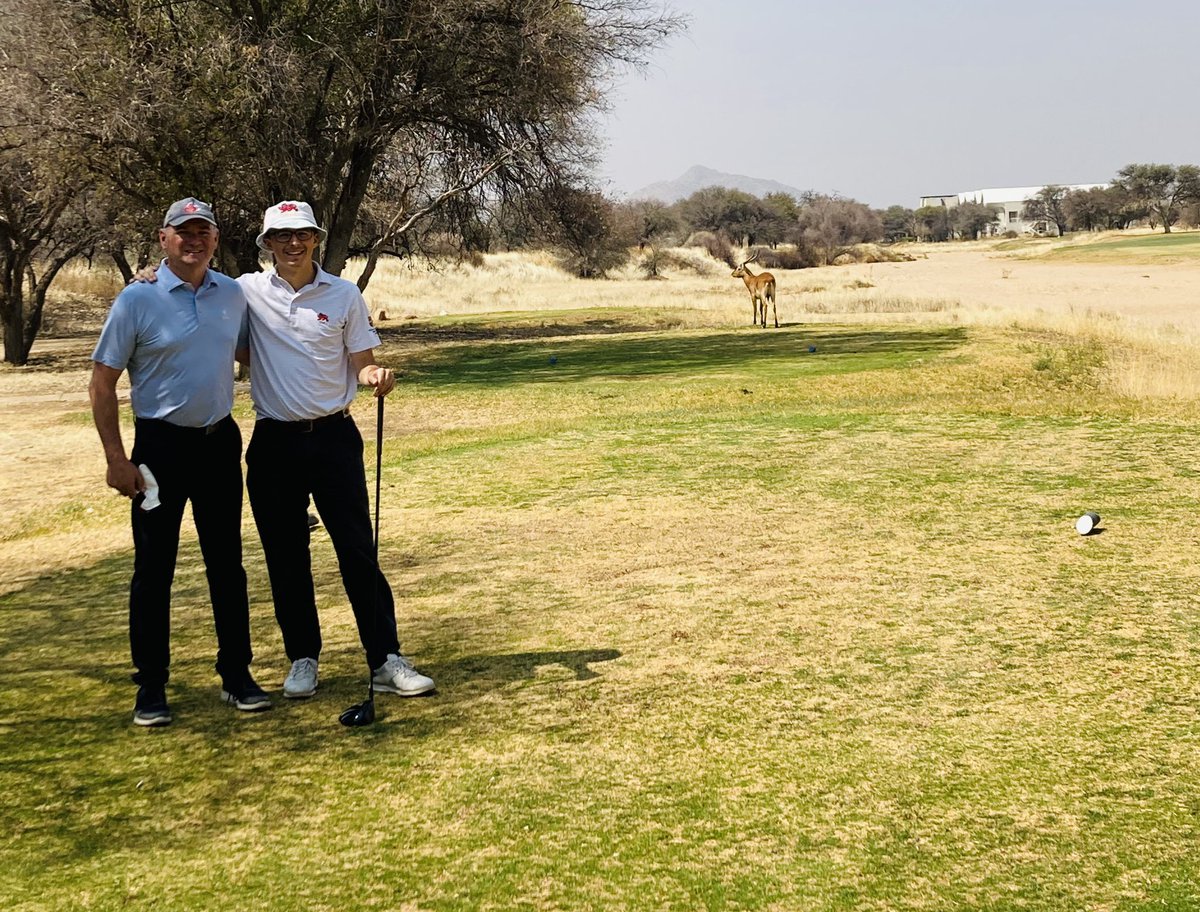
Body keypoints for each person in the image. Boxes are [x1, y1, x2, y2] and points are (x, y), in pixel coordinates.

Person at [238, 201, 434, 700]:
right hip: (274, 441)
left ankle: (385, 659)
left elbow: (362, 363)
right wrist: (150, 277)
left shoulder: (344, 294)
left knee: (356, 550)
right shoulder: (244, 292)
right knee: (286, 557)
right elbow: (197, 300)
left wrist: (376, 377)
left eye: (302, 234)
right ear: (267, 244)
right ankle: (303, 658)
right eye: (282, 236)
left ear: (316, 240)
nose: (293, 244)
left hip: (333, 438)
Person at [90, 198, 271, 727]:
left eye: (204, 233)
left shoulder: (231, 293)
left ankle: (236, 675)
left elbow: (252, 353)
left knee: (227, 565)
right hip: (159, 451)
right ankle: (151, 685)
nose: (194, 241)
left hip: (218, 445)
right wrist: (115, 459)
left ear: (215, 240)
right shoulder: (136, 299)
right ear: (163, 238)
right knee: (154, 570)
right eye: (183, 232)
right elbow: (103, 383)